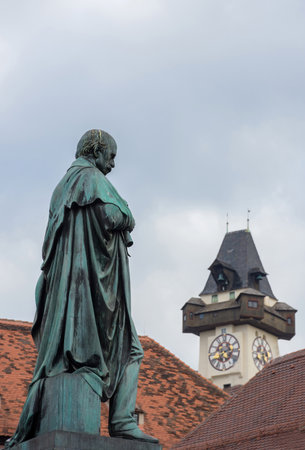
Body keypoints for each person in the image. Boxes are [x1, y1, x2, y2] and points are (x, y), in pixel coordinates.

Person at [7, 130, 158, 446]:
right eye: (112, 156)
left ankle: (122, 421)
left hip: (72, 290)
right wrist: (128, 215)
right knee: (130, 348)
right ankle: (122, 421)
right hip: (95, 288)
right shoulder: (90, 178)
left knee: (123, 350)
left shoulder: (62, 186)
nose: (113, 165)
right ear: (98, 150)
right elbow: (112, 214)